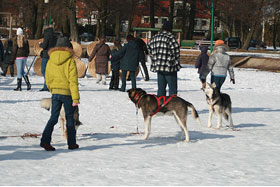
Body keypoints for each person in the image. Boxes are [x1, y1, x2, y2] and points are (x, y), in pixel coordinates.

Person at [40, 34, 80, 151]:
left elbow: (47, 77)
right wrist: (76, 98)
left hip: (55, 93)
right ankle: (71, 143)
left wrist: (52, 89)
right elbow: (73, 81)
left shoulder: (50, 60)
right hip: (67, 94)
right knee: (70, 118)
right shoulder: (70, 61)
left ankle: (45, 141)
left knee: (53, 118)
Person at [147, 21, 181, 96]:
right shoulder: (171, 38)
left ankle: (160, 104)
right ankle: (172, 105)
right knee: (172, 89)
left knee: (161, 88)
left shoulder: (155, 37)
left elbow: (148, 48)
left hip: (158, 66)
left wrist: (155, 56)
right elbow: (176, 52)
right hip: (169, 67)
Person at [39, 25, 57, 91]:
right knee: (49, 71)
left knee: (44, 70)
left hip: (46, 55)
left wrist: (40, 44)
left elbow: (44, 45)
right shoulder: (55, 36)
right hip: (52, 55)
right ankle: (48, 85)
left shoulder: (47, 35)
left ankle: (47, 85)